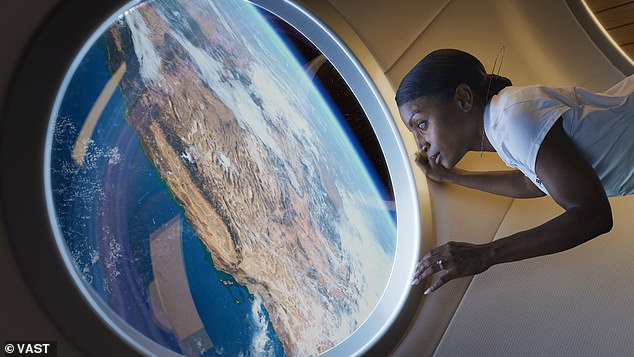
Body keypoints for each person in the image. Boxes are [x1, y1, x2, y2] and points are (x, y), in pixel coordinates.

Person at [398, 48, 634, 295]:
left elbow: (593, 215)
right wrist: (453, 176)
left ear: (464, 98)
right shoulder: (504, 126)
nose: (420, 144)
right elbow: (531, 183)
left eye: (421, 124)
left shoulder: (515, 117)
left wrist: (485, 255)